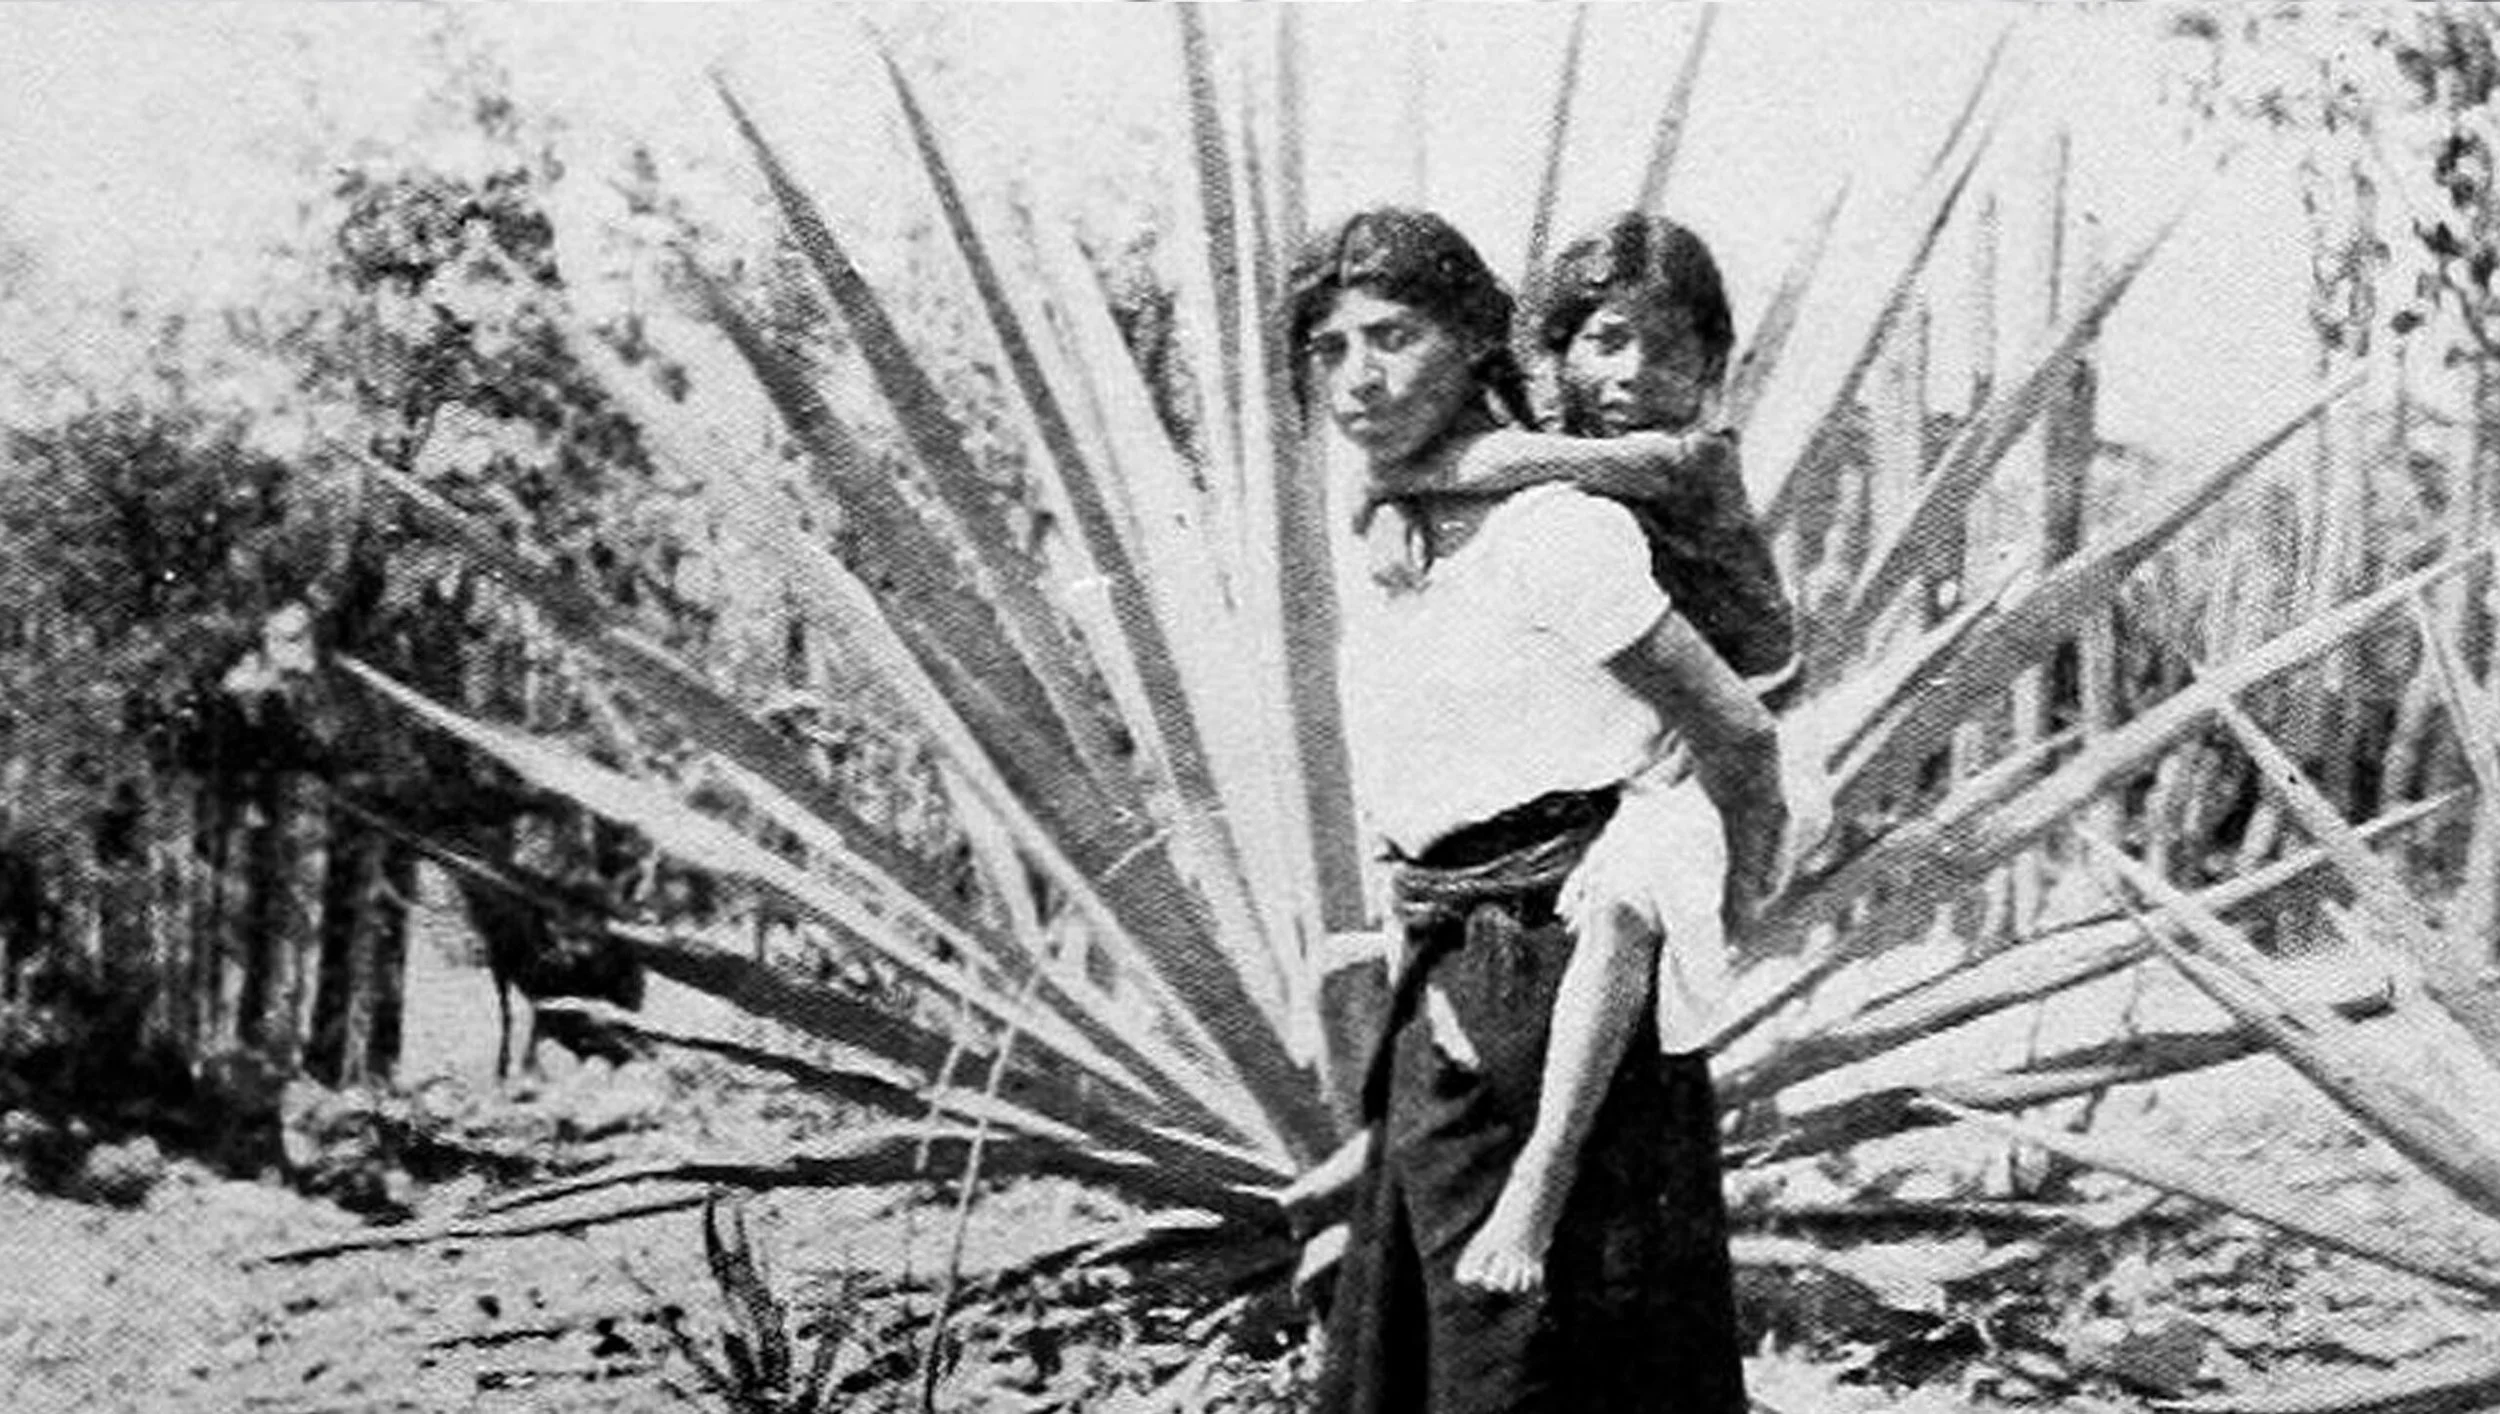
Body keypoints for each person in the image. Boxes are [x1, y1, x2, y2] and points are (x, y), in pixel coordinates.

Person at [1288, 206, 1782, 1414]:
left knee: (1528, 1355)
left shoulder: (1558, 529)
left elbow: (1737, 728)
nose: (1358, 379)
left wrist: (1724, 900)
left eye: (1392, 337)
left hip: (1549, 958)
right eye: (1331, 348)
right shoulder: (1400, 530)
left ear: (1474, 342)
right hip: (1446, 964)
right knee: (1455, 1351)